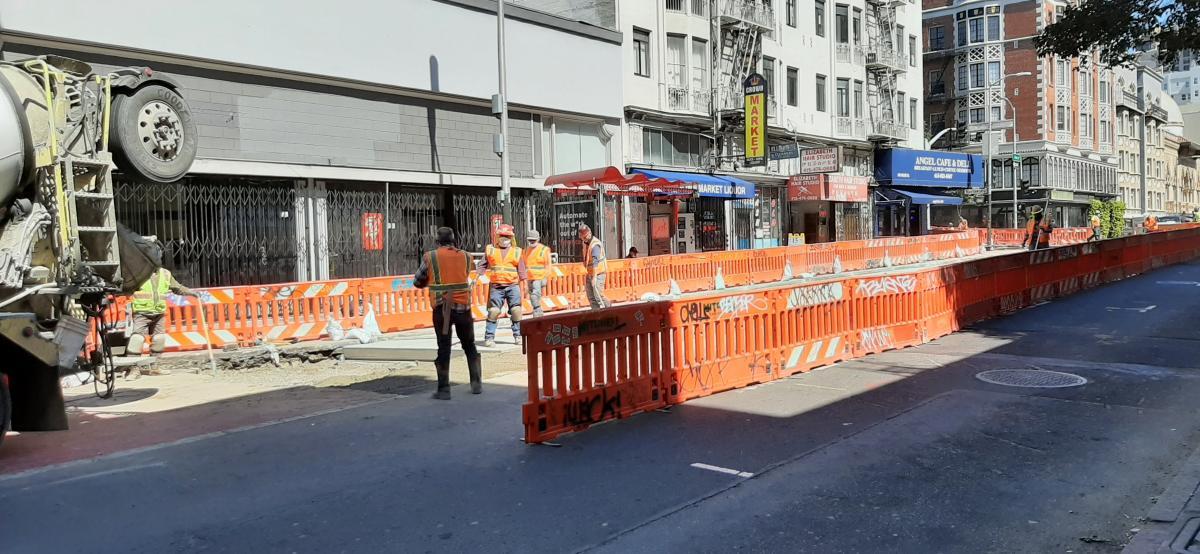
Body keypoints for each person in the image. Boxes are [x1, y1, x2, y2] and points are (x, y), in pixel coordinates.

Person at [413, 227, 481, 399]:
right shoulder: (466, 256)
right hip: (463, 309)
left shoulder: (431, 256)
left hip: (443, 310)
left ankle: (443, 389)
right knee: (469, 345)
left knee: (444, 347)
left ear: (437, 241)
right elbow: (464, 274)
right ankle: (476, 383)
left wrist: (430, 281)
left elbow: (418, 281)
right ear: (454, 240)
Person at [128, 260, 195, 379]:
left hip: (159, 312)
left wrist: (191, 292)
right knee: (137, 339)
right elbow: (127, 287)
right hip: (142, 312)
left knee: (159, 339)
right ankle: (133, 369)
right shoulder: (138, 272)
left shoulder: (165, 274)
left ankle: (155, 367)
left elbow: (177, 288)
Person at [477, 224, 525, 347]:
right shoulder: (491, 249)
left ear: (511, 237)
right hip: (496, 286)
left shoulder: (516, 251)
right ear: (497, 237)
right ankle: (489, 337)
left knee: (516, 310)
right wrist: (478, 274)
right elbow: (483, 264)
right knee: (494, 311)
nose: (504, 238)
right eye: (502, 236)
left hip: (512, 285)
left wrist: (526, 285)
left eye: (507, 236)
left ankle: (518, 335)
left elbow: (521, 269)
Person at [521, 229, 553, 318]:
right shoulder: (525, 250)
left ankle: (537, 311)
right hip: (529, 277)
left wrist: (546, 277)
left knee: (535, 295)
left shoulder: (544, 249)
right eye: (530, 240)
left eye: (533, 240)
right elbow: (523, 265)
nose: (531, 242)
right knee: (533, 296)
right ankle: (538, 311)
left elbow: (548, 264)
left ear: (538, 239)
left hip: (539, 277)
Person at [578, 224, 610, 309]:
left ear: (589, 233)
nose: (583, 239)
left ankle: (609, 309)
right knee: (591, 297)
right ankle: (596, 313)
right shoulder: (585, 243)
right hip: (589, 273)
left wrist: (594, 277)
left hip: (598, 273)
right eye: (582, 237)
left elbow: (596, 261)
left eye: (584, 237)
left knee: (599, 295)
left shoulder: (595, 244)